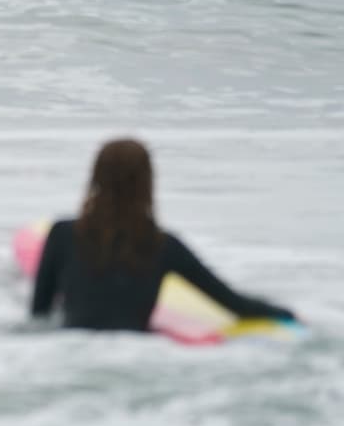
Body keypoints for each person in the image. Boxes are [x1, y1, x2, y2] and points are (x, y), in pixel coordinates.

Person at [30, 138, 294, 332]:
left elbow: (38, 314)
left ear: (95, 179)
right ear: (148, 183)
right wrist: (287, 314)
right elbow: (233, 305)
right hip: (139, 352)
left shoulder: (62, 235)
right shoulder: (164, 246)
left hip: (71, 347)